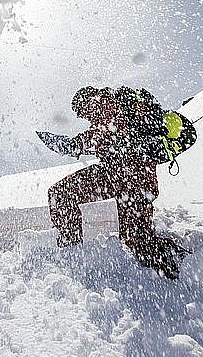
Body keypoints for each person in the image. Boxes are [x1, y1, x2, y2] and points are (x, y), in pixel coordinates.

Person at [44, 86, 188, 279]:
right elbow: (98, 138)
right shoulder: (110, 117)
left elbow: (108, 133)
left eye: (81, 111)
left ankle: (176, 273)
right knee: (61, 193)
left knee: (61, 193)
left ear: (87, 100)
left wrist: (74, 145)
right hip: (125, 178)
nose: (83, 117)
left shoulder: (107, 102)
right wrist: (73, 145)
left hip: (130, 177)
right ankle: (71, 252)